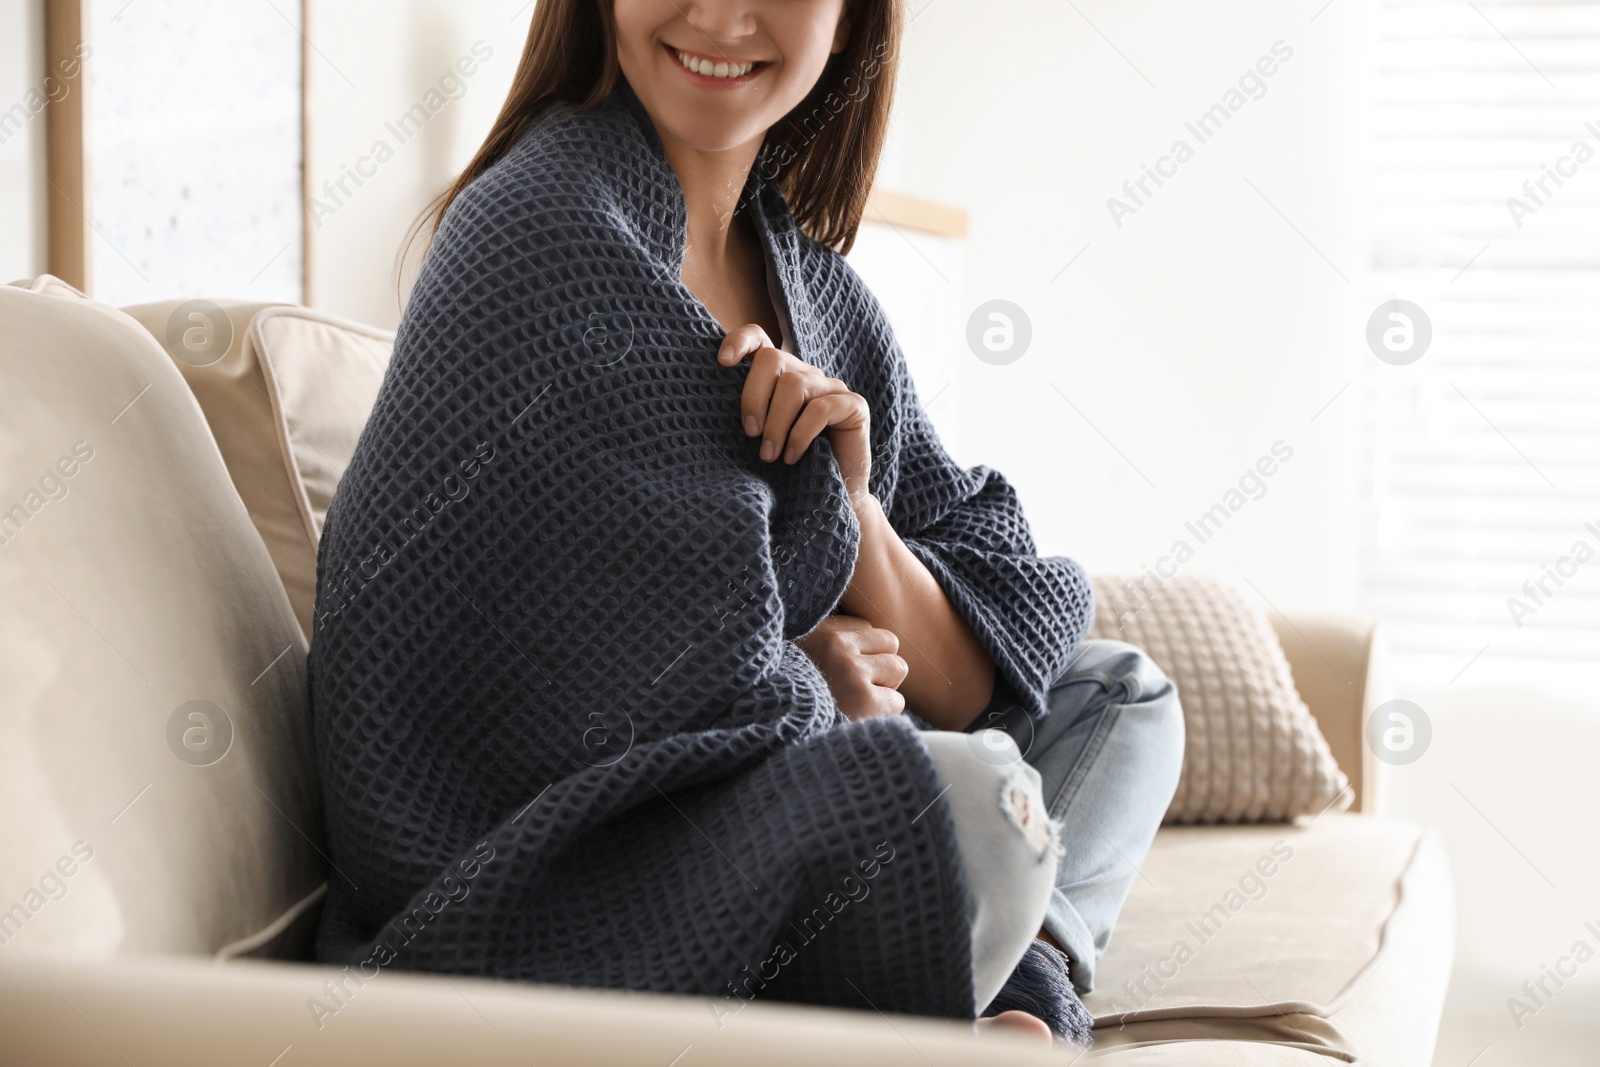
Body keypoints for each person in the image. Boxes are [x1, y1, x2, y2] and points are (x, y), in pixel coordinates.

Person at [310, 0, 1184, 1047]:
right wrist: (810, 674)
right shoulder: (536, 230)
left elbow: (969, 681)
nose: (722, 16)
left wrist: (851, 507)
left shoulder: (824, 294)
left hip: (814, 767)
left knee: (1124, 694)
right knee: (984, 795)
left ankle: (1019, 963)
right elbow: (508, 688)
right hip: (606, 854)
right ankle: (994, 982)